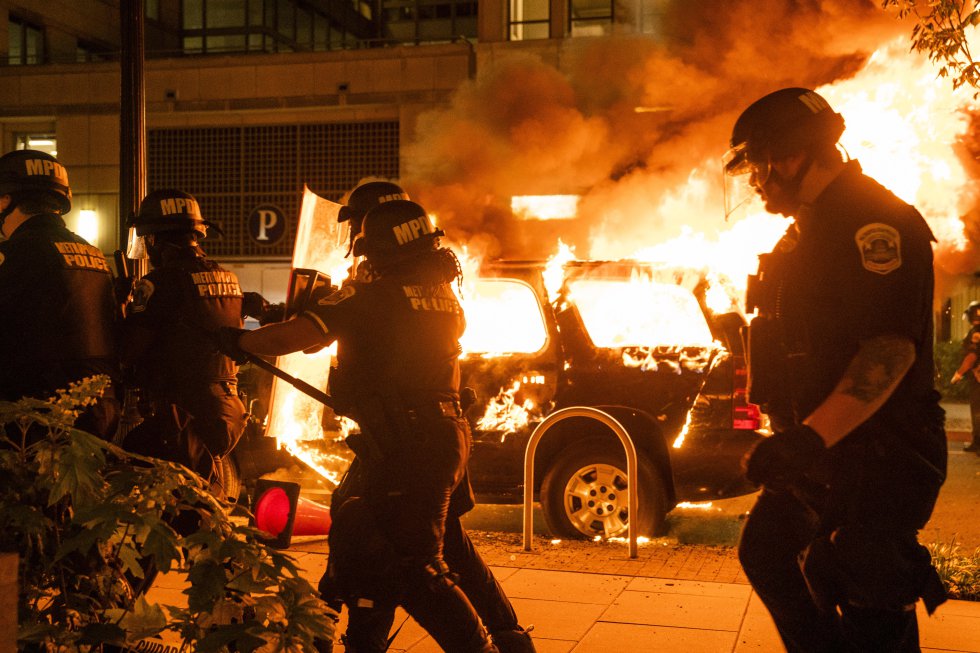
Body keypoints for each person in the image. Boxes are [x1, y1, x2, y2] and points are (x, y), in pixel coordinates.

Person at [219, 199, 500, 652]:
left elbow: (293, 339)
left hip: (407, 444)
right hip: (434, 437)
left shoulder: (372, 298)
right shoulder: (445, 298)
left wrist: (237, 338)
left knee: (418, 568)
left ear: (383, 253)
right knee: (360, 540)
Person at [725, 88, 948, 651]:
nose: (754, 179)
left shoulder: (873, 222)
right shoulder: (807, 229)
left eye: (757, 163)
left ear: (792, 156)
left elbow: (889, 350)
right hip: (824, 455)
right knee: (769, 551)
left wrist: (807, 439)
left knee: (871, 599)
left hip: (878, 458)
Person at [316, 181, 535, 652]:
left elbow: (339, 336)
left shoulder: (383, 284)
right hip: (424, 434)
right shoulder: (426, 281)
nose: (354, 238)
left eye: (358, 225)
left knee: (389, 550)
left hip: (407, 440)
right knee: (411, 544)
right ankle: (507, 636)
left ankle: (333, 635)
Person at [121, 189, 248, 496]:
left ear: (154, 240)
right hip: (228, 409)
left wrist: (121, 307)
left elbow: (129, 350)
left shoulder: (160, 283)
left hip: (180, 417)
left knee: (126, 463)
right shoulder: (227, 279)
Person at [0, 149, 120, 438]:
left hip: (33, 422)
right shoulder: (94, 255)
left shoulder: (12, 255)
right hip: (98, 414)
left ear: (5, 201)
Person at [950, 300, 980, 454]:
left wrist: (958, 374)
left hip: (978, 379)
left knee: (977, 411)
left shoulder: (976, 333)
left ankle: (978, 443)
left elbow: (972, 356)